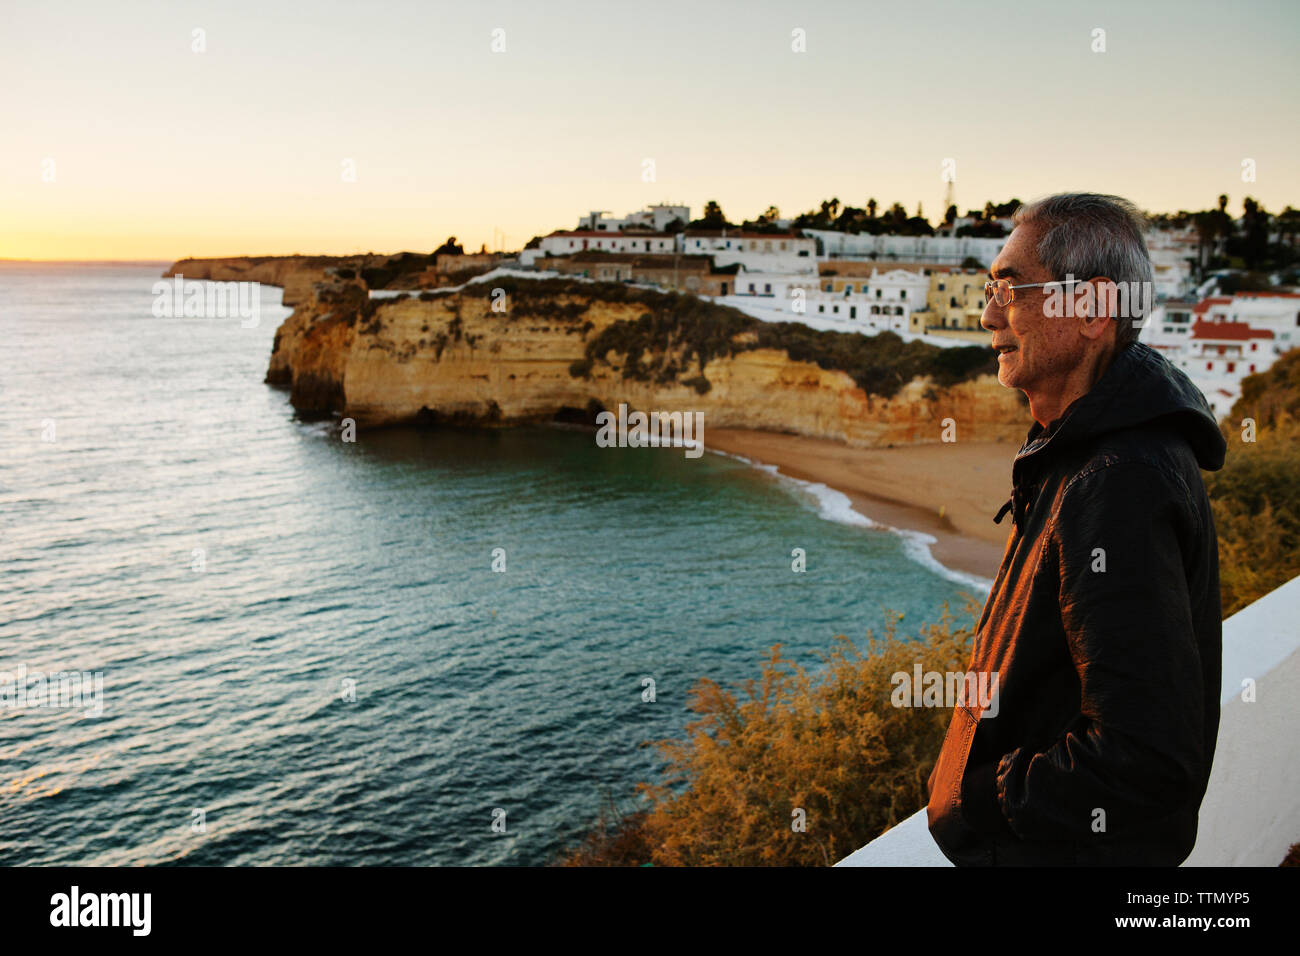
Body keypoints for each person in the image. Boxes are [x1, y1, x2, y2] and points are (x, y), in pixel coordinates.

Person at [926, 193, 1227, 865]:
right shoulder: (1086, 450)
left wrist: (983, 799)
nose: (987, 314)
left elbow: (1144, 755)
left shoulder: (1118, 479)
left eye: (1011, 289)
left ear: (1090, 309)